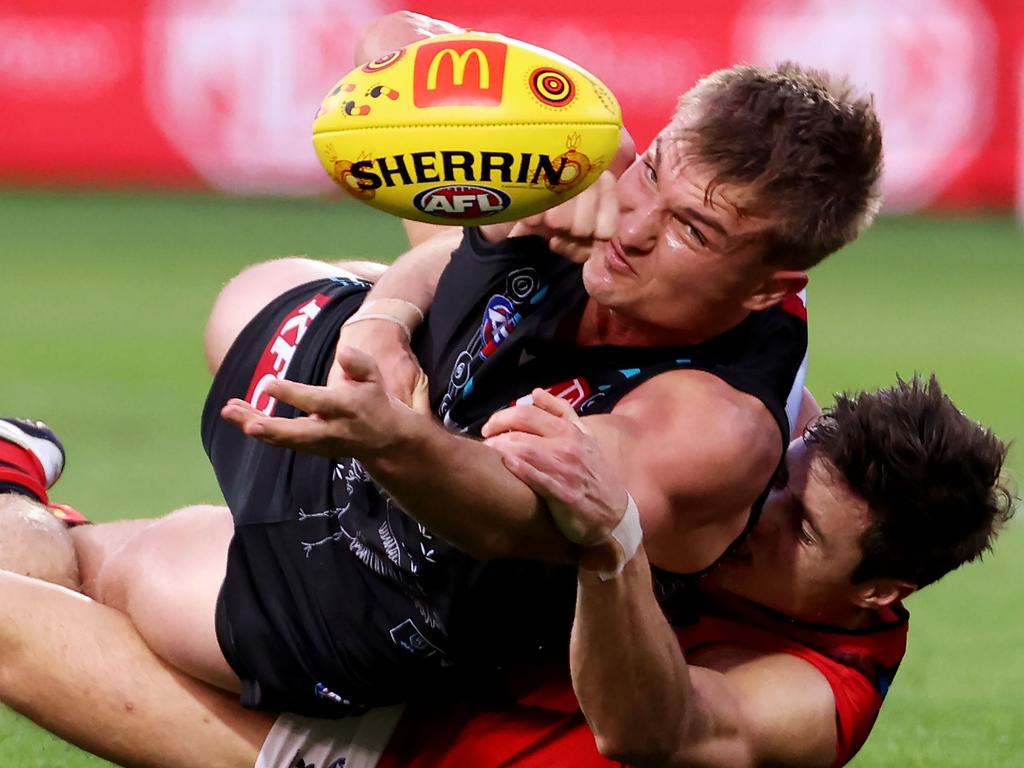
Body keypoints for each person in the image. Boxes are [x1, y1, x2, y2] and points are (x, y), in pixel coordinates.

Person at [36, 42, 885, 719]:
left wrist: (393, 439)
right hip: (396, 412)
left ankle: (14, 485)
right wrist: (383, 320)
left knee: (100, 565)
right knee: (259, 291)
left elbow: (509, 514)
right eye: (657, 169)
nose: (634, 223)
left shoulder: (711, 423)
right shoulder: (602, 174)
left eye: (692, 231)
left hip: (384, 580)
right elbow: (392, 46)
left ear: (769, 289)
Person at [0, 375, 1013, 767]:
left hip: (367, 754)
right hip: (401, 625)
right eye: (783, 486)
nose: (759, 518)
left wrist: (612, 540)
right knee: (79, 562)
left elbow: (648, 727)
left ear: (879, 590)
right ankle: (17, 483)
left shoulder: (820, 701)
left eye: (799, 531)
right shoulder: (736, 469)